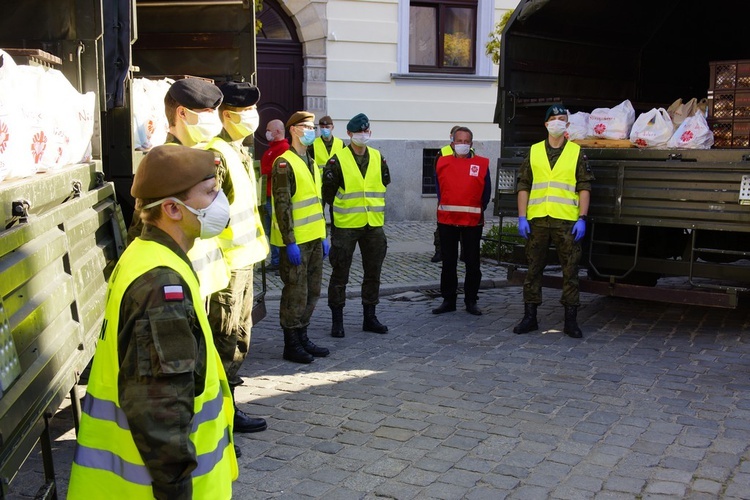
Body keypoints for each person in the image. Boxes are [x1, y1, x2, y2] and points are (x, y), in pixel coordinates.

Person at [68, 145, 238, 499]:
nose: (220, 201)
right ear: (173, 209)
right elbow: (160, 409)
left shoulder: (144, 253)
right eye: (209, 193)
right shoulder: (162, 286)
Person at [209, 81, 269, 436]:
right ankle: (220, 421)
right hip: (226, 267)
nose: (251, 116)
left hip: (243, 261)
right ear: (225, 115)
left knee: (239, 338)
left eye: (252, 110)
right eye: (243, 110)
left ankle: (229, 409)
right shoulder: (216, 154)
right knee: (224, 339)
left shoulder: (238, 150)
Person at [514, 104, 594, 338]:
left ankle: (571, 321)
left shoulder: (576, 152)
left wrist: (583, 217)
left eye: (563, 119)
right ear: (546, 123)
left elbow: (584, 186)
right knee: (533, 269)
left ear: (567, 125)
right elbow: (523, 185)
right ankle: (530, 317)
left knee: (570, 271)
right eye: (554, 118)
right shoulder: (534, 150)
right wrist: (521, 217)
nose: (558, 122)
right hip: (537, 220)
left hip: (566, 221)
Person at [126, 78, 224, 245]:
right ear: (182, 113)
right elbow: (144, 228)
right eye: (207, 111)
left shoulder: (207, 155)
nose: (213, 117)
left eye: (214, 111)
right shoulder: (163, 163)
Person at [322, 113, 390, 338]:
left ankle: (370, 317)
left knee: (374, 272)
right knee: (340, 272)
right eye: (358, 132)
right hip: (346, 226)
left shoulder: (378, 157)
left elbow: (383, 183)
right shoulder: (337, 159)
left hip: (374, 225)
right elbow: (328, 194)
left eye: (366, 131)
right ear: (349, 134)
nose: (363, 135)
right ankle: (337, 320)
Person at [270, 111, 330, 363]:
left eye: (312, 127)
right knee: (296, 291)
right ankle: (291, 342)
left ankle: (303, 334)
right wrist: (289, 242)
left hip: (315, 237)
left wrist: (324, 234)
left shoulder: (311, 162)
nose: (311, 131)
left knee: (313, 290)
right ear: (293, 130)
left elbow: (317, 203)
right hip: (295, 242)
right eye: (306, 127)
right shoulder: (284, 163)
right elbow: (282, 206)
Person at [432, 127, 491, 316]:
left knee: (472, 263)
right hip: (447, 220)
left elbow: (486, 192)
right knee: (448, 262)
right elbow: (439, 189)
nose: (462, 145)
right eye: (459, 141)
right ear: (452, 143)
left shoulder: (481, 164)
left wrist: (475, 208)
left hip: (472, 221)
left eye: (466, 142)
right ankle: (448, 300)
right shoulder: (442, 162)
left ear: (471, 144)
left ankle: (471, 300)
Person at [430, 125, 461, 263]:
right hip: (446, 194)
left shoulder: (471, 151)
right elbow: (436, 175)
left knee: (465, 225)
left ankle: (464, 253)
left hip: (463, 195)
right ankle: (440, 251)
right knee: (442, 224)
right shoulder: (443, 152)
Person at [261, 119, 288, 272]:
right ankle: (275, 260)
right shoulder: (272, 149)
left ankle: (279, 262)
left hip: (275, 195)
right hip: (267, 194)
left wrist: (264, 170)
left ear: (277, 131)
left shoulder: (283, 148)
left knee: (276, 229)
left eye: (268, 129)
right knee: (270, 230)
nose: (266, 132)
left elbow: (272, 169)